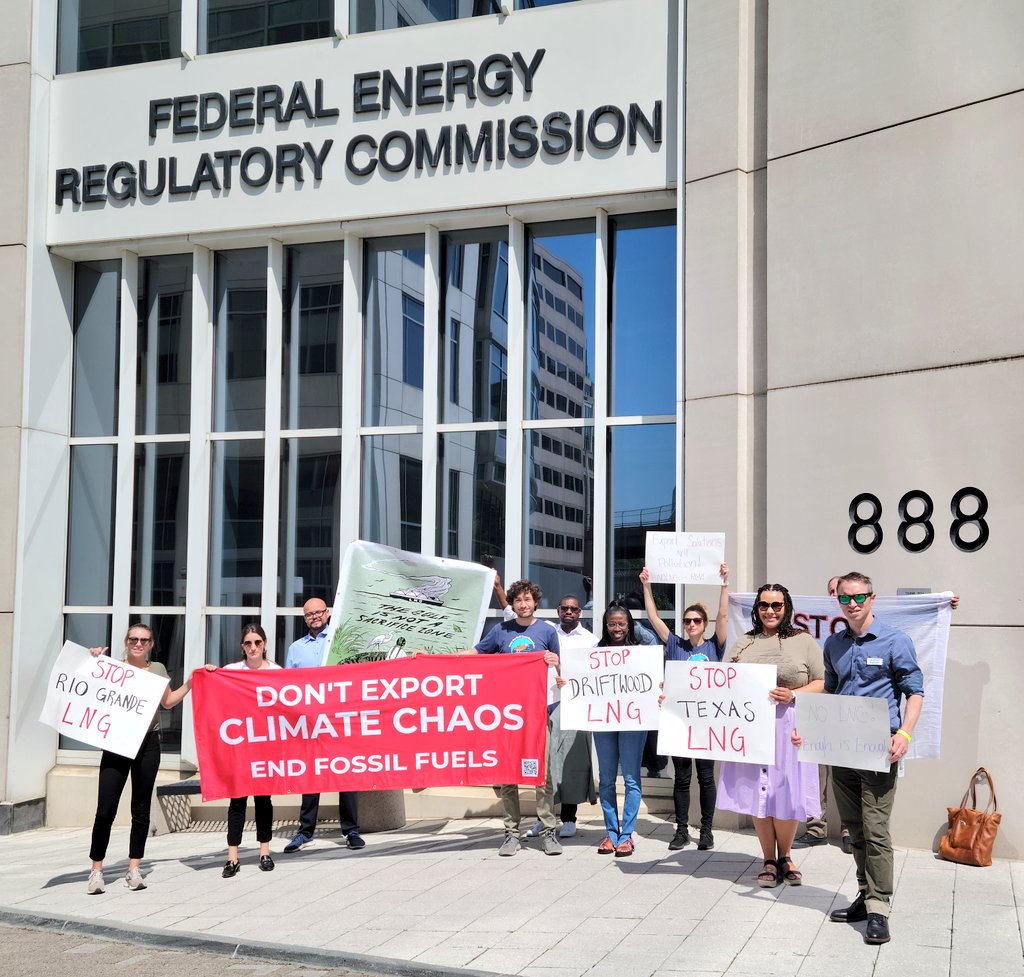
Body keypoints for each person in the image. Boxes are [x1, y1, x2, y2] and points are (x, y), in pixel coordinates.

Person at [815, 571, 924, 945]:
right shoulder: (833, 644)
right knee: (855, 828)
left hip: (879, 749)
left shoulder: (896, 641)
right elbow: (830, 694)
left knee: (876, 830)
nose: (853, 604)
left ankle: (880, 908)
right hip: (842, 750)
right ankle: (865, 893)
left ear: (872, 598)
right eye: (846, 598)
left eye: (859, 597)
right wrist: (810, 729)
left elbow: (915, 693)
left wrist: (905, 734)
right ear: (839, 601)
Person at [716, 584, 823, 888]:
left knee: (786, 791)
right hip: (751, 725)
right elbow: (724, 681)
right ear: (757, 608)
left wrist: (793, 694)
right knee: (758, 791)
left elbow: (822, 682)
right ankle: (768, 858)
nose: (770, 611)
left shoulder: (803, 640)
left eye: (776, 605)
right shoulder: (744, 642)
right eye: (764, 605)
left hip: (790, 725)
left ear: (786, 607)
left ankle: (786, 856)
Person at [86, 624, 194, 894]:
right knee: (105, 809)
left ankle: (134, 867)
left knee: (141, 808)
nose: (138, 643)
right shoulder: (112, 668)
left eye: (144, 640)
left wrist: (191, 682)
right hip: (117, 744)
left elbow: (167, 702)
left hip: (147, 744)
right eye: (133, 639)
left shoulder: (157, 670)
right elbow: (87, 686)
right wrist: (92, 660)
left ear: (151, 644)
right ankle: (96, 870)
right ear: (126, 641)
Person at [640, 562, 729, 852]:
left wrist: (724, 584)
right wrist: (647, 586)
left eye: (696, 621)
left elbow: (723, 614)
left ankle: (706, 830)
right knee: (682, 778)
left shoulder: (714, 646)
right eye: (687, 621)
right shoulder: (676, 645)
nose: (691, 624)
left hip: (706, 722)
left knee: (705, 777)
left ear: (705, 624)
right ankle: (680, 830)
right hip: (679, 721)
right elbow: (653, 617)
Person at [473, 578, 563, 857]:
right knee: (508, 774)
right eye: (518, 601)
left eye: (527, 600)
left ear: (536, 602)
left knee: (543, 774)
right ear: (512, 604)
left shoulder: (547, 632)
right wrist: (434, 659)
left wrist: (554, 663)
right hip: (508, 715)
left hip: (539, 712)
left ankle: (548, 831)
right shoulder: (501, 631)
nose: (523, 605)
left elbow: (560, 672)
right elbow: (475, 655)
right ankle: (511, 833)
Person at [283, 597, 364, 854]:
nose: (315, 617)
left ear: (327, 613)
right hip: (310, 722)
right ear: (304, 618)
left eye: (318, 612)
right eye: (309, 614)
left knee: (346, 774)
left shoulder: (342, 639)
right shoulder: (296, 648)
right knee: (311, 776)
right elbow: (287, 686)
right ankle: (305, 831)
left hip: (340, 720)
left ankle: (351, 830)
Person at [526, 594, 596, 840]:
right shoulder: (545, 633)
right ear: (558, 610)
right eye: (564, 608)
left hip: (571, 706)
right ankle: (542, 819)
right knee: (544, 767)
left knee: (570, 766)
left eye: (573, 609)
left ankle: (569, 818)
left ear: (580, 613)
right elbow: (511, 615)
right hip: (542, 703)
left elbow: (593, 677)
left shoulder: (591, 641)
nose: (569, 611)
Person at [215, 624, 281, 878]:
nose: (253, 648)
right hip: (240, 747)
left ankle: (265, 851)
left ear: (264, 644)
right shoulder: (232, 671)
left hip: (265, 746)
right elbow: (215, 692)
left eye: (257, 642)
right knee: (237, 801)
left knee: (264, 800)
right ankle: (233, 856)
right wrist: (208, 673)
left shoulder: (276, 672)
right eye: (248, 643)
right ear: (242, 647)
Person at [592, 602, 658, 857]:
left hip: (633, 721)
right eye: (612, 624)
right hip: (604, 721)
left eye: (622, 623)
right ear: (605, 626)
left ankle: (627, 835)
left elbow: (654, 643)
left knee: (631, 779)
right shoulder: (596, 652)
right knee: (607, 780)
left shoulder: (641, 650)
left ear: (629, 624)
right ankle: (610, 833)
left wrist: (635, 627)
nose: (617, 628)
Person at [794, 575, 852, 854]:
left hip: (847, 712)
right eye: (831, 592)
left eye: (838, 592)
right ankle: (816, 827)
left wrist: (940, 605)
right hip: (817, 710)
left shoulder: (857, 624)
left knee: (848, 771)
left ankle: (850, 831)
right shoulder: (810, 625)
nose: (834, 596)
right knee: (815, 772)